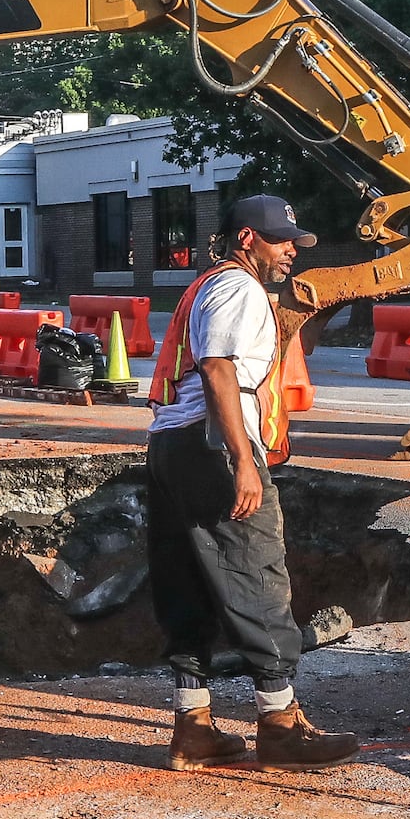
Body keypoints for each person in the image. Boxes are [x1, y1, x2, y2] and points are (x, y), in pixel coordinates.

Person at [144, 194, 358, 772]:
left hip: (172, 445)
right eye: (280, 239)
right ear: (246, 240)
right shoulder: (238, 289)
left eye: (295, 240)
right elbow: (219, 367)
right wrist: (242, 458)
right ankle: (280, 726)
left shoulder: (210, 286)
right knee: (257, 576)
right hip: (213, 447)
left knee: (188, 581)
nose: (292, 249)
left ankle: (193, 728)